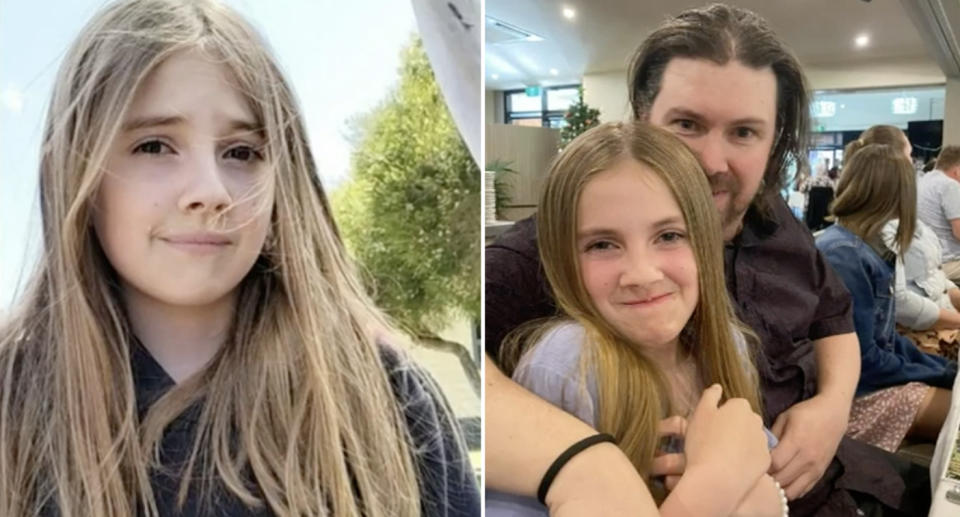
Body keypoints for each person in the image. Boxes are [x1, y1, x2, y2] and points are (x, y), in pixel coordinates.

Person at [0, 1, 478, 516]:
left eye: (241, 152)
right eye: (155, 145)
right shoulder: (12, 401)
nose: (210, 190)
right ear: (75, 173)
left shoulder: (384, 393)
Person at [486, 4, 924, 516]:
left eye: (744, 132)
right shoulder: (548, 272)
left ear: (773, 142)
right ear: (642, 117)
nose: (712, 164)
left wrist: (830, 409)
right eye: (687, 123)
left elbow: (835, 318)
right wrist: (592, 466)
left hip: (823, 473)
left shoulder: (772, 218)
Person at [486, 121, 783, 516]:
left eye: (669, 236)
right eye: (602, 244)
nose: (642, 274)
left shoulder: (728, 344)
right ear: (562, 261)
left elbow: (760, 463)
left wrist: (765, 498)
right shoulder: (567, 364)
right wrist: (713, 488)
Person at [815, 139, 957, 452]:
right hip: (858, 399)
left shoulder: (862, 248)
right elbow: (864, 362)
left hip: (870, 383)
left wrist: (944, 372)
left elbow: (886, 341)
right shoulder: (845, 257)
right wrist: (939, 373)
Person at [918, 145, 960, 281]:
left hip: (925, 261)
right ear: (958, 171)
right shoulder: (950, 186)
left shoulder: (923, 181)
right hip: (947, 262)